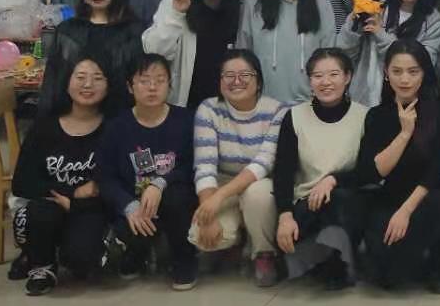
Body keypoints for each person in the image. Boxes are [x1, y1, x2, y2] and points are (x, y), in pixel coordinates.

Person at [352, 41, 440, 291]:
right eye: (397, 71)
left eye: (413, 71)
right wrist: (404, 133)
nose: (405, 79)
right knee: (389, 278)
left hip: (428, 195)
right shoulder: (377, 115)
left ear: (424, 73)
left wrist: (405, 211)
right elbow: (372, 172)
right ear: (386, 73)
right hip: (390, 196)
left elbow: (437, 168)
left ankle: (437, 265)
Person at [185, 49, 285, 286]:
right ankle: (235, 244)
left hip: (259, 183)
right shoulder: (209, 109)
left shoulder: (277, 110)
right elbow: (205, 165)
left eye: (245, 75)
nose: (236, 81)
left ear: (258, 80)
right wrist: (208, 213)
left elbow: (263, 163)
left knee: (257, 193)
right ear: (220, 81)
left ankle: (263, 253)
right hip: (223, 183)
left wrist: (218, 198)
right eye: (229, 75)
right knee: (203, 237)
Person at [98, 54, 199, 289]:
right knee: (128, 222)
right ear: (130, 86)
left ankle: (183, 259)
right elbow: (105, 176)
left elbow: (192, 165)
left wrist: (160, 183)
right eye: (144, 81)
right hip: (135, 203)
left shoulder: (187, 120)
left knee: (177, 198)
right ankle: (136, 253)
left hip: (174, 198)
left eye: (160, 80)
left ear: (169, 85)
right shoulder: (116, 127)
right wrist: (128, 205)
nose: (152, 87)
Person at [10, 57, 109, 296]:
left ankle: (64, 251)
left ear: (109, 86)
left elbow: (113, 182)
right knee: (40, 212)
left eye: (97, 78)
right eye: (80, 77)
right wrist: (69, 193)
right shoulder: (44, 127)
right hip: (48, 206)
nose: (88, 85)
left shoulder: (113, 129)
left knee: (82, 261)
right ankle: (41, 266)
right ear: (66, 83)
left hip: (89, 209)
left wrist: (77, 202)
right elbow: (22, 182)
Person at [272, 48, 368, 290]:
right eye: (318, 76)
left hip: (348, 202)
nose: (326, 82)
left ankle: (335, 263)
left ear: (347, 77)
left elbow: (368, 171)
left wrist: (333, 180)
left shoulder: (364, 116)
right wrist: (285, 215)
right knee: (291, 252)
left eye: (334, 74)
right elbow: (283, 171)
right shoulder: (294, 117)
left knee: (339, 200)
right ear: (310, 80)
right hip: (307, 203)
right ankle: (332, 259)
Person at [237, 0, 337, 106]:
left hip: (310, 103)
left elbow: (329, 55)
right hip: (262, 103)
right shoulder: (253, 4)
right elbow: (243, 54)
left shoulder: (321, 4)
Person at [39, 0, 144, 118]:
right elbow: (53, 83)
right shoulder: (67, 31)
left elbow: (138, 81)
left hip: (120, 117)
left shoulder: (133, 30)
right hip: (74, 118)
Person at [142, 0, 242, 108]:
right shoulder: (174, 1)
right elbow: (154, 52)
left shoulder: (240, 8)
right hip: (182, 104)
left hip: (225, 107)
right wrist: (177, 13)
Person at [340, 0, 440, 106]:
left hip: (409, 103)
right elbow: (344, 55)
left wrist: (381, 35)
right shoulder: (375, 7)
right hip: (365, 99)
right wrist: (353, 25)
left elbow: (425, 64)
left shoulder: (433, 23)